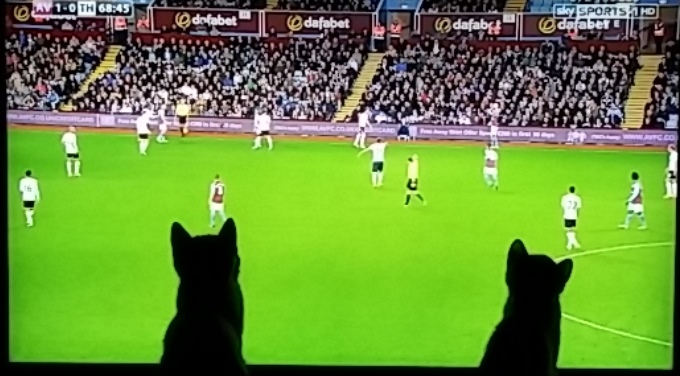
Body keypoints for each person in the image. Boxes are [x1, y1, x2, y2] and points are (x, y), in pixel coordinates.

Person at [561, 186, 582, 251]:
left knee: (569, 230)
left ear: (569, 190)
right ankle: (573, 244)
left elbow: (563, 206)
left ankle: (570, 244)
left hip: (567, 214)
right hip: (574, 215)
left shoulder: (565, 197)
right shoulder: (578, 198)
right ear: (574, 190)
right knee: (572, 230)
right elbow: (578, 208)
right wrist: (577, 215)